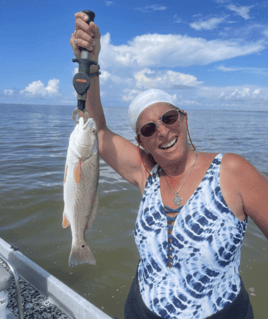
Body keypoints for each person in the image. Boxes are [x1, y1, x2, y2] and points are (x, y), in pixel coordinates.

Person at [70, 12, 268, 319]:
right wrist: (91, 62)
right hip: (141, 308)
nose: (161, 130)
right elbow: (99, 131)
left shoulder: (231, 171)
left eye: (169, 118)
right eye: (148, 130)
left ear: (184, 119)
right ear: (141, 142)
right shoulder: (146, 174)